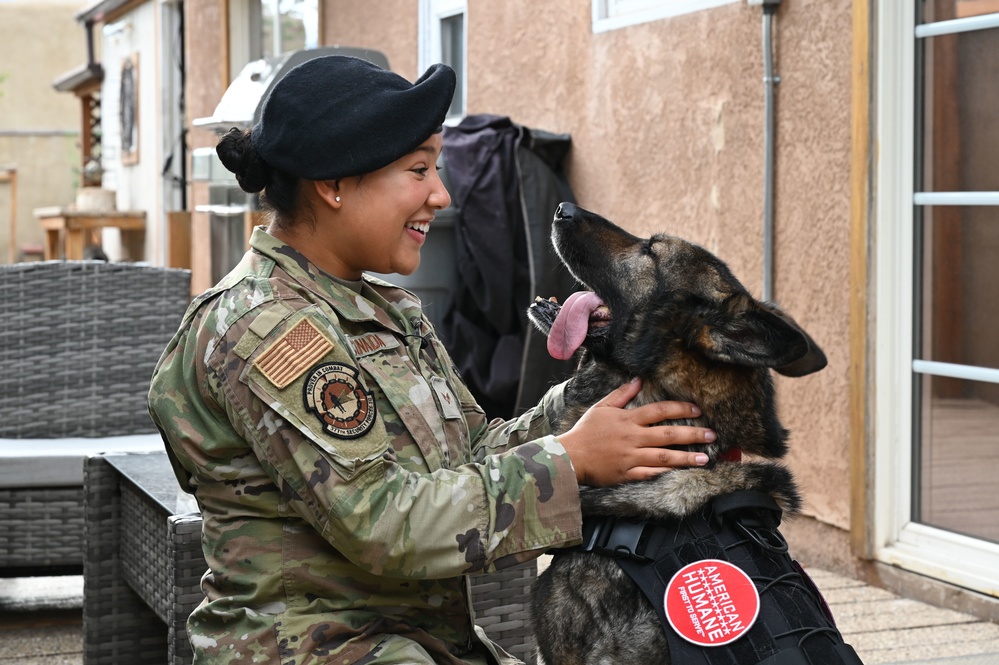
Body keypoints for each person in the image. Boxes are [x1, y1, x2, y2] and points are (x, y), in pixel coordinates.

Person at [147, 55, 715, 665]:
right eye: (419, 169)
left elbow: (470, 453)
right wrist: (572, 463)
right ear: (334, 183)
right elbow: (381, 520)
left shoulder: (385, 311)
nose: (441, 195)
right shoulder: (268, 330)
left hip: (422, 642)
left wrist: (591, 410)